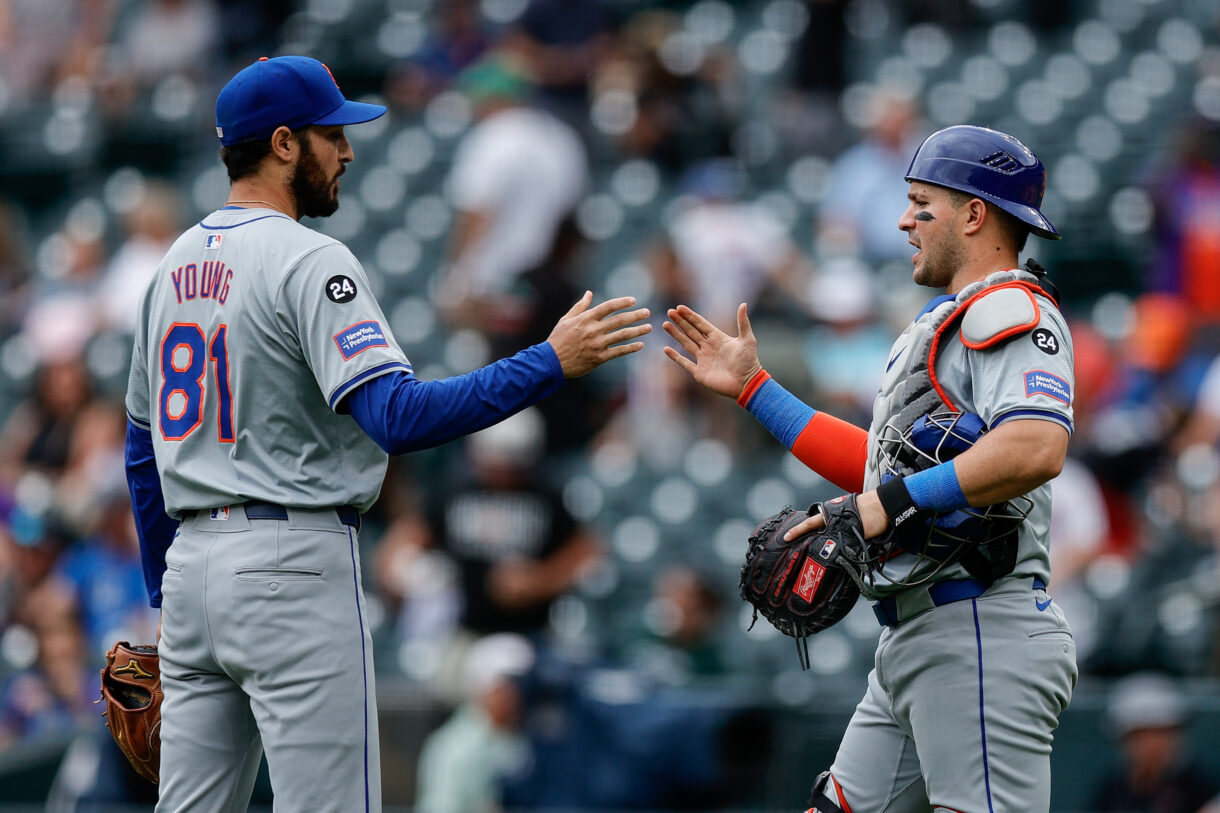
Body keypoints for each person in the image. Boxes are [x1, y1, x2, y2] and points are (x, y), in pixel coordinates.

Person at [123, 55, 650, 812]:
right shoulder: (309, 258)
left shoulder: (167, 267)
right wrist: (549, 361)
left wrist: (164, 595)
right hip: (290, 562)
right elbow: (397, 417)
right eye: (331, 133)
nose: (348, 150)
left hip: (192, 574)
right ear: (282, 144)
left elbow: (142, 454)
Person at [664, 125, 1078, 812]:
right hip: (921, 635)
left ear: (974, 214)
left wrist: (888, 502)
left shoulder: (1012, 308)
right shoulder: (943, 322)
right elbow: (876, 470)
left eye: (921, 203)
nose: (903, 220)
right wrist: (755, 390)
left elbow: (1035, 446)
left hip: (980, 630)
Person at [1090, 672, 1219, 813]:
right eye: (1142, 735)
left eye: (1162, 733)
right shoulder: (1111, 789)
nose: (1153, 745)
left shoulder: (1203, 788)